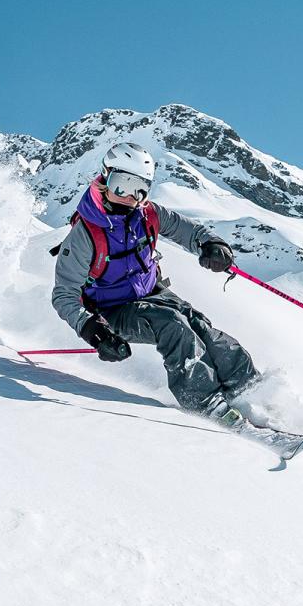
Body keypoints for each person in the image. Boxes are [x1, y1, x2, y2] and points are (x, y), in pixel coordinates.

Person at [49, 143, 258, 425]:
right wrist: (93, 331)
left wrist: (211, 245)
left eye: (140, 189)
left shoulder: (149, 214)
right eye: (122, 185)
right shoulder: (86, 232)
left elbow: (191, 231)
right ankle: (206, 403)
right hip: (111, 311)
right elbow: (64, 294)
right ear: (104, 179)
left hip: (152, 293)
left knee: (200, 326)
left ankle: (249, 390)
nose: (130, 197)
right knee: (172, 325)